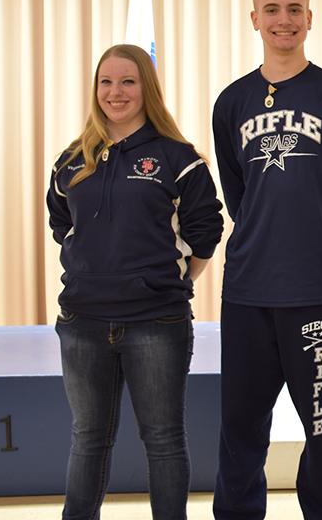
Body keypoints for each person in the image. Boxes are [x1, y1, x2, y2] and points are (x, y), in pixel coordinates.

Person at [212, 0, 322, 520]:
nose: (283, 19)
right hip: (248, 294)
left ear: (310, 19)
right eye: (272, 9)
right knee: (241, 425)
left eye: (294, 9)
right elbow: (238, 195)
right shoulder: (231, 101)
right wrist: (270, 237)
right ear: (254, 19)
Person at [47, 43, 224, 520]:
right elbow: (62, 225)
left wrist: (168, 279)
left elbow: (205, 231)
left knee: (163, 439)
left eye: (128, 81)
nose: (115, 92)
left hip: (156, 321)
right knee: (88, 439)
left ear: (147, 87)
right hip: (83, 322)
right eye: (106, 82)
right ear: (95, 89)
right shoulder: (70, 160)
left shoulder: (179, 158)